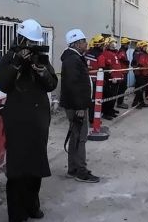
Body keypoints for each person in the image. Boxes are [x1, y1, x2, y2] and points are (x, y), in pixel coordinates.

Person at [0, 19, 58, 222]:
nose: (31, 46)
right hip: (17, 119)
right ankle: (17, 213)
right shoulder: (9, 58)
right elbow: (3, 85)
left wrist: (40, 69)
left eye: (34, 43)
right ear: (21, 39)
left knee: (36, 164)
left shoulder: (41, 58)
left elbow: (52, 84)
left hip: (39, 119)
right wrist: (17, 63)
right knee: (17, 167)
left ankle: (33, 205)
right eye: (29, 42)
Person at [59, 29, 100, 183]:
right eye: (83, 41)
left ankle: (73, 169)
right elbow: (73, 86)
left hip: (77, 104)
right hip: (76, 106)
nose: (86, 44)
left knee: (76, 136)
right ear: (76, 44)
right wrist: (80, 108)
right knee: (81, 138)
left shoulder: (75, 58)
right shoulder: (72, 60)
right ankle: (81, 171)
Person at [131, 41, 148, 108]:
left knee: (140, 89)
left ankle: (137, 103)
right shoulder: (139, 54)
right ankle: (139, 103)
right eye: (145, 46)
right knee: (140, 89)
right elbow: (140, 63)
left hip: (141, 73)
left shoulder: (143, 54)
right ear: (141, 47)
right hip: (140, 74)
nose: (146, 47)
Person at [116, 37, 131, 109]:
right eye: (128, 44)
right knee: (122, 88)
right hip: (122, 72)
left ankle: (120, 102)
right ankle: (119, 102)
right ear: (125, 45)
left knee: (123, 88)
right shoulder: (121, 52)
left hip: (124, 72)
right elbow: (119, 58)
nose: (128, 46)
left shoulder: (123, 51)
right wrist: (125, 61)